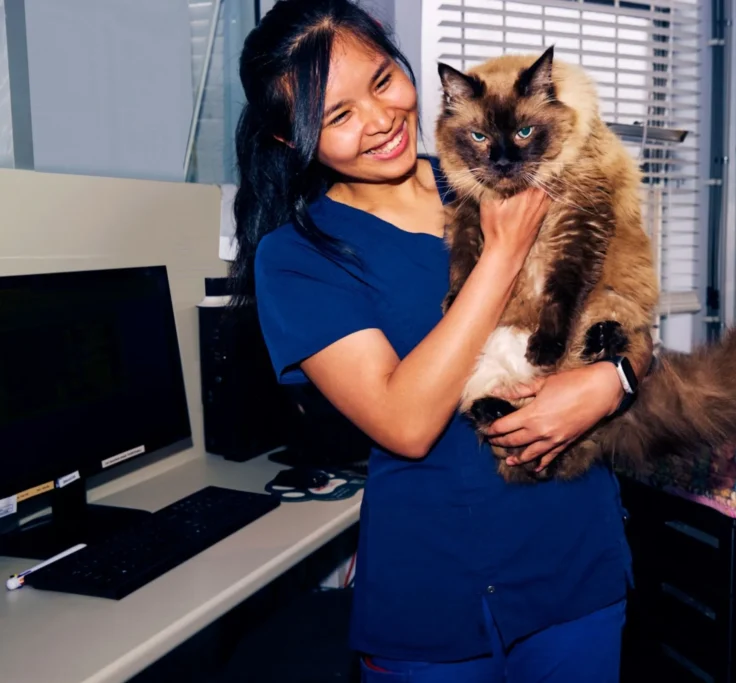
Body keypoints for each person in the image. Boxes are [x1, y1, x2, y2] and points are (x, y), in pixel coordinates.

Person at [230, 2, 639, 681]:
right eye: (338, 115)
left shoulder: (504, 159)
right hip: (436, 600)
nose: (382, 118)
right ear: (289, 140)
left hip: (576, 564)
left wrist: (610, 381)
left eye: (384, 80)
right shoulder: (298, 257)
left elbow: (629, 299)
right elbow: (407, 422)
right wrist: (502, 254)